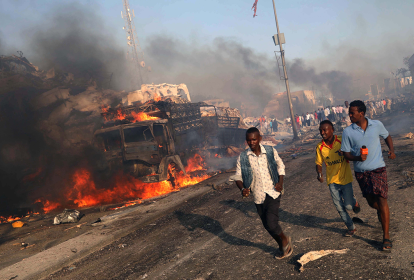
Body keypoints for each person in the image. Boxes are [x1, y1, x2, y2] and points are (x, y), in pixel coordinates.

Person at [341, 100, 396, 251]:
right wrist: (357, 158)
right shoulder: (347, 132)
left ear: (362, 113)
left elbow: (387, 136)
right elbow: (346, 153)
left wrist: (391, 150)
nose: (350, 115)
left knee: (382, 200)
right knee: (373, 203)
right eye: (349, 112)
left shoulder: (376, 124)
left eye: (352, 113)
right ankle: (381, 212)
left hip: (378, 168)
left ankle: (386, 237)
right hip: (361, 172)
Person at [233, 127, 293, 259]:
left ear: (259, 139)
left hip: (273, 191)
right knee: (267, 225)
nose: (251, 142)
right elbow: (238, 176)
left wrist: (280, 182)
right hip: (258, 195)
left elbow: (280, 165)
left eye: (254, 139)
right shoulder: (243, 157)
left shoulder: (270, 151)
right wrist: (243, 189)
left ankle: (284, 239)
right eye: (249, 140)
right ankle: (283, 246)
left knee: (271, 222)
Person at [315, 120, 361, 236]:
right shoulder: (320, 147)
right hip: (332, 182)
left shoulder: (341, 140)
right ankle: (351, 227)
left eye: (325, 130)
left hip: (345, 179)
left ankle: (354, 201)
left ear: (332, 130)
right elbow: (318, 163)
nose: (322, 132)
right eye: (321, 130)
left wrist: (345, 152)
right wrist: (319, 174)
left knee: (348, 206)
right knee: (339, 207)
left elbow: (353, 150)